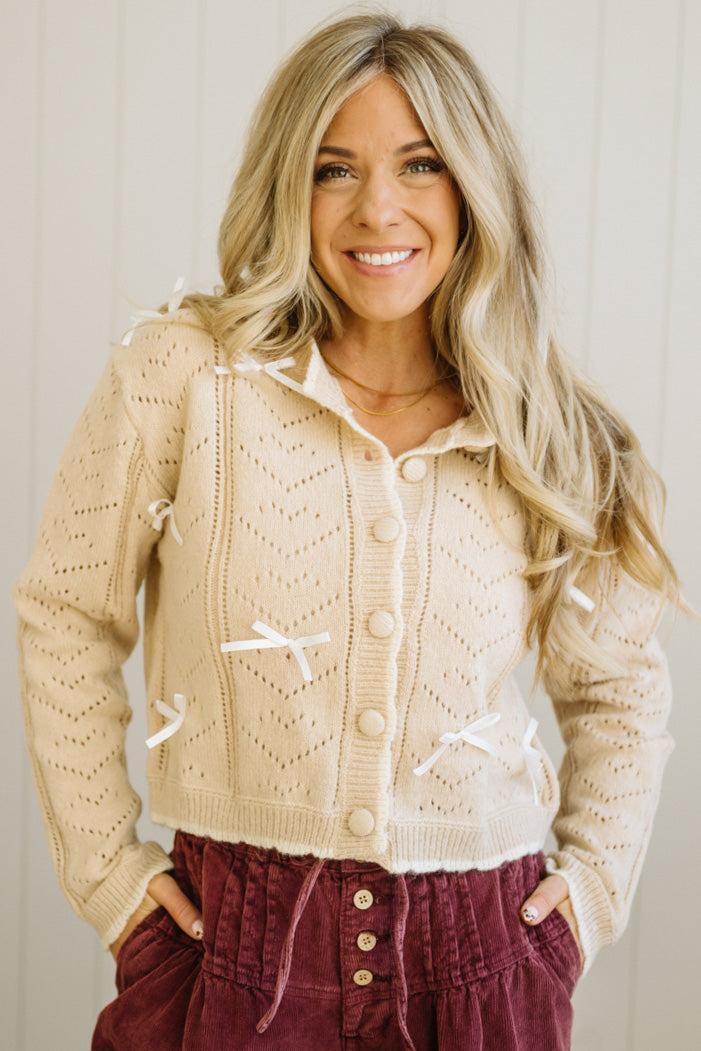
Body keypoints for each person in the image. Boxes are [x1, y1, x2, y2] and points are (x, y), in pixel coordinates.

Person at [11, 9, 696, 1051]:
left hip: (481, 963)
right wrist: (111, 876)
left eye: (419, 164)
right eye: (334, 168)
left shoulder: (547, 430)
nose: (378, 207)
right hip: (224, 956)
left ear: (474, 186)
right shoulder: (184, 379)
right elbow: (64, 612)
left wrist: (587, 896)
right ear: (291, 185)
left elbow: (616, 685)